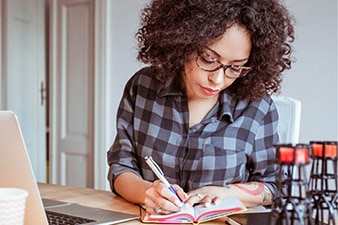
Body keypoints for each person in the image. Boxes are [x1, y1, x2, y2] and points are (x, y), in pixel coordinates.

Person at [107, 0, 295, 215]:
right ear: (182, 42)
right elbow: (121, 166)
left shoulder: (257, 106)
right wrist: (147, 192)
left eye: (235, 67)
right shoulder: (143, 87)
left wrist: (226, 193)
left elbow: (275, 185)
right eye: (208, 59)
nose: (217, 79)